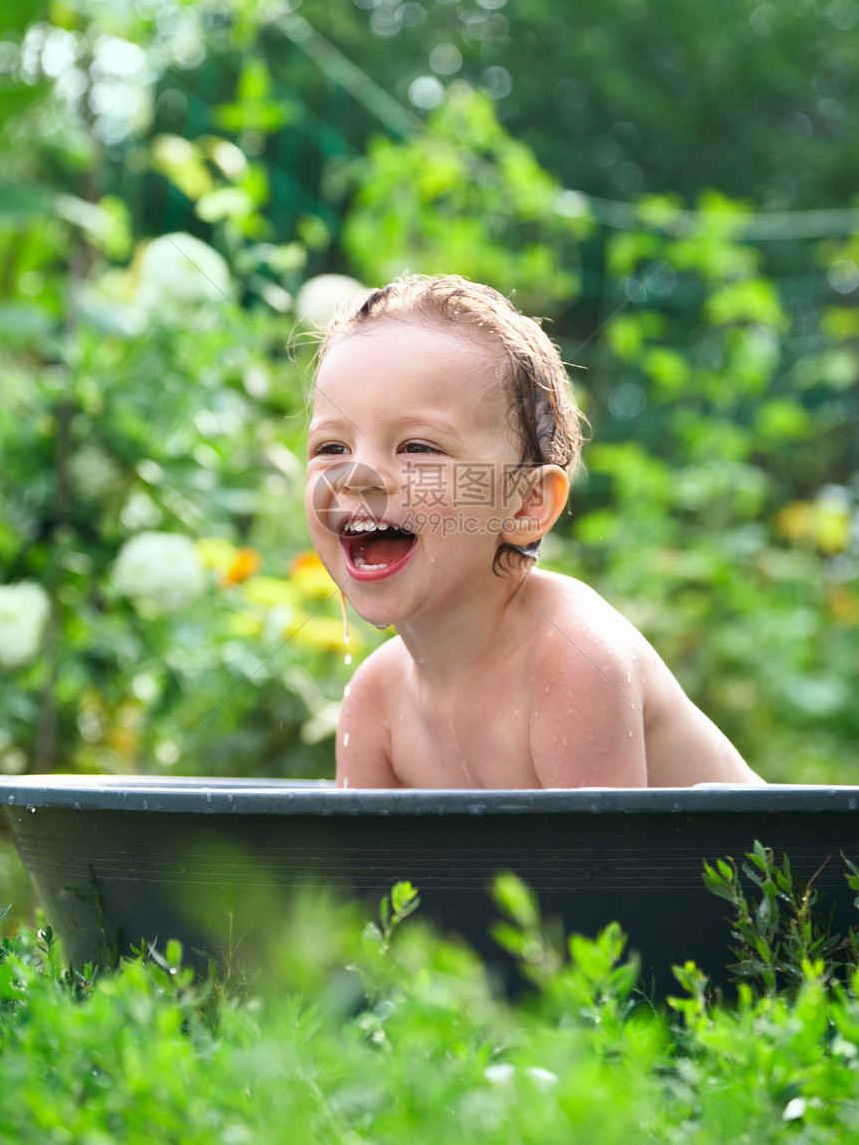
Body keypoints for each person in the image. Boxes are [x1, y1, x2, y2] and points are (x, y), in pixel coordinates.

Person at [304, 274, 762, 790]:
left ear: (526, 502)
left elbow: (604, 871)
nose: (357, 476)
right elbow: (364, 873)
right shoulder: (375, 701)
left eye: (419, 448)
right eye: (331, 448)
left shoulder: (574, 662)